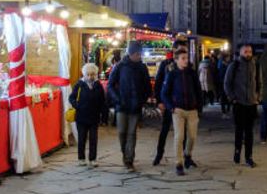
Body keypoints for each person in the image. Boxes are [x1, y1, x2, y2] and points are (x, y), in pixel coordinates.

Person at [107, 41, 151, 170]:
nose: (140, 56)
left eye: (140, 54)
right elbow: (110, 85)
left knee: (132, 133)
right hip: (121, 105)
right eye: (138, 54)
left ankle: (129, 159)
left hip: (135, 106)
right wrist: (117, 99)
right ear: (131, 54)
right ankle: (125, 154)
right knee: (122, 132)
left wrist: (142, 100)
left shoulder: (142, 67)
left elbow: (147, 86)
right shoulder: (120, 66)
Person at [161, 48, 204, 176]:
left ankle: (188, 155)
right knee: (179, 136)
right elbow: (164, 93)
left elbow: (198, 91)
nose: (186, 61)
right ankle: (179, 163)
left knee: (192, 136)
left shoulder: (192, 73)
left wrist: (199, 108)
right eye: (183, 58)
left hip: (192, 110)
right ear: (177, 60)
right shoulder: (172, 74)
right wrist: (171, 107)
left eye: (187, 58)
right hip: (178, 109)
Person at [153, 36, 189, 165]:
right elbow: (158, 83)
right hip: (169, 103)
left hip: (183, 104)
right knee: (164, 129)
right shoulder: (165, 64)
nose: (183, 53)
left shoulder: (187, 65)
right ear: (174, 51)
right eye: (180, 50)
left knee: (183, 132)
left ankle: (185, 157)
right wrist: (159, 101)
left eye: (185, 50)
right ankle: (159, 154)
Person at [224, 43, 260, 167]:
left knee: (249, 132)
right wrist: (233, 98)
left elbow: (258, 82)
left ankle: (249, 157)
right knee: (239, 130)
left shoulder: (255, 65)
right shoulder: (234, 65)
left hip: (251, 103)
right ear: (240, 52)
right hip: (239, 103)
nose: (248, 54)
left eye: (249, 51)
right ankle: (237, 151)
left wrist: (257, 97)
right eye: (245, 52)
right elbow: (227, 83)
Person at [68, 63, 105, 167]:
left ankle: (93, 159)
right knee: (82, 139)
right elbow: (71, 98)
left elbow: (103, 100)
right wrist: (77, 105)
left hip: (94, 117)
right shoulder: (79, 84)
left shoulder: (98, 85)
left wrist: (103, 114)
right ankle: (81, 158)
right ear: (84, 74)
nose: (90, 77)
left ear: (95, 74)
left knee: (93, 139)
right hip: (81, 117)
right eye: (88, 74)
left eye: (92, 74)